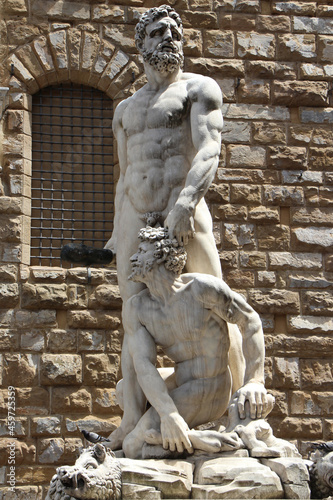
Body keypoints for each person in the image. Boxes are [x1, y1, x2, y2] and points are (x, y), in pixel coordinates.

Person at [104, 5, 244, 448]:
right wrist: (115, 230)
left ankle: (240, 406)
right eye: (158, 31)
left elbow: (208, 151)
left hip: (184, 210)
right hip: (134, 218)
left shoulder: (200, 89)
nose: (169, 37)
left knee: (219, 308)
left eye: (174, 31)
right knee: (134, 319)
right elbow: (125, 174)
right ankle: (131, 417)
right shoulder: (125, 109)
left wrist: (185, 204)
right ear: (141, 43)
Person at [119, 227, 270, 459]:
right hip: (182, 380)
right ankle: (192, 438)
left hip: (210, 386)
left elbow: (250, 321)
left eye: (141, 251)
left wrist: (255, 381)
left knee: (133, 446)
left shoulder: (201, 288)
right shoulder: (137, 308)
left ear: (160, 256)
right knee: (124, 391)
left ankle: (194, 440)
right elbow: (143, 364)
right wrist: (169, 414)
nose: (132, 257)